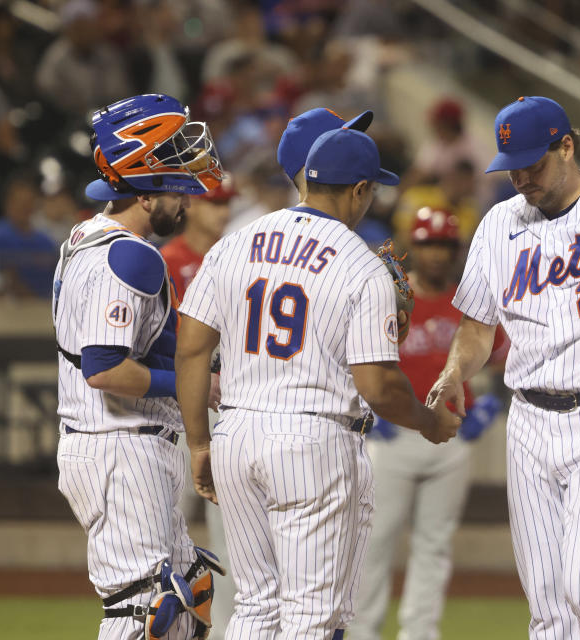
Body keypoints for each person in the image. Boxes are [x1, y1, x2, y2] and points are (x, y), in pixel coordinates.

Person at [175, 126, 461, 639]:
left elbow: (192, 347)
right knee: (312, 616)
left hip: (236, 433)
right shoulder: (360, 264)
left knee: (256, 606)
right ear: (358, 190)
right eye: (372, 188)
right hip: (312, 442)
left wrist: (199, 441)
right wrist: (427, 420)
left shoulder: (235, 243)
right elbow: (377, 386)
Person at [427, 96, 580, 640]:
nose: (521, 178)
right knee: (547, 606)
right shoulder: (498, 225)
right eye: (512, 166)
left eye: (534, 164)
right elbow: (476, 329)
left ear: (567, 147)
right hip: (529, 422)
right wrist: (455, 370)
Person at [52, 93, 225, 640]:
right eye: (178, 184)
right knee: (142, 607)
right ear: (146, 192)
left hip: (123, 445)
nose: (188, 198)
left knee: (189, 591)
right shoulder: (128, 255)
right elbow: (104, 369)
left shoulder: (87, 236)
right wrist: (196, 385)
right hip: (117, 446)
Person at [350, 208, 505, 640]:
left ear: (455, 251)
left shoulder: (468, 303)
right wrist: (368, 409)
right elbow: (360, 361)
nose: (435, 254)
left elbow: (496, 367)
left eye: (443, 245)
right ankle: (362, 632)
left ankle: (421, 634)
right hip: (392, 434)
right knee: (374, 540)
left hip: (451, 435)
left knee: (434, 545)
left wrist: (487, 407)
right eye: (427, 243)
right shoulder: (393, 298)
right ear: (413, 247)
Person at [162, 178, 237, 640]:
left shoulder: (233, 256)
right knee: (164, 522)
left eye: (228, 203)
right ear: (191, 205)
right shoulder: (168, 260)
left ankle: (226, 628)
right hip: (173, 404)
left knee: (228, 526)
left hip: (227, 397)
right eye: (215, 203)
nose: (223, 212)